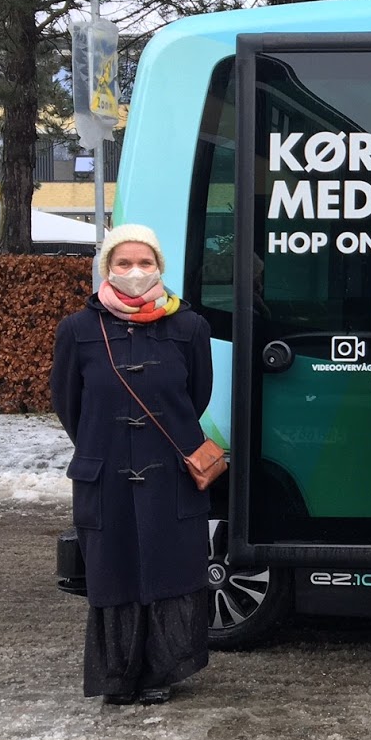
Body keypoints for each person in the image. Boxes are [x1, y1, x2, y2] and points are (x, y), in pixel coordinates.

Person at [51, 224, 215, 706]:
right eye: (123, 263)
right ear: (107, 269)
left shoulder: (189, 327)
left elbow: (196, 397)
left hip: (169, 471)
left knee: (169, 569)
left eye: (145, 263)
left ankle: (162, 670)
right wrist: (108, 444)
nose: (135, 272)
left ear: (159, 267)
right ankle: (117, 677)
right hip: (106, 473)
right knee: (114, 571)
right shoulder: (77, 329)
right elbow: (69, 404)